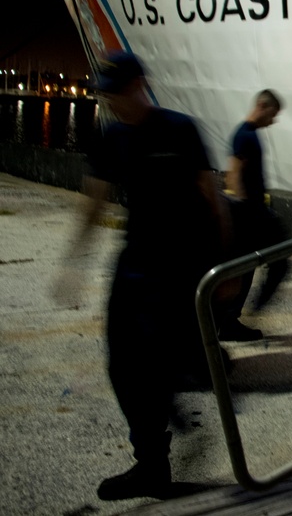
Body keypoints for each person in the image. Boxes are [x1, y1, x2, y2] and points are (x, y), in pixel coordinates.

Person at [53, 50, 230, 501]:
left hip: (180, 262)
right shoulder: (111, 137)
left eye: (116, 92)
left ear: (138, 86)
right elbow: (94, 201)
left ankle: (156, 460)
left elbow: (212, 198)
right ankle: (150, 459)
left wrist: (227, 265)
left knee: (156, 358)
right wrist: (74, 263)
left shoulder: (179, 129)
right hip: (134, 263)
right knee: (121, 363)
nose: (110, 101)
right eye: (105, 94)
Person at [218, 89, 289, 340]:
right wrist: (243, 208)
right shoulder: (245, 135)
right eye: (274, 113)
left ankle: (229, 320)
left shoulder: (250, 134)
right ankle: (230, 320)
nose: (275, 119)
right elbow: (233, 172)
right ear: (263, 106)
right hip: (250, 214)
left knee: (248, 267)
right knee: (272, 261)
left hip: (254, 212)